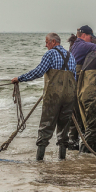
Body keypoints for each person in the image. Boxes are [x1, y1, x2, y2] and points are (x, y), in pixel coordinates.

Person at [11, 33, 76, 161]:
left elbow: (39, 71)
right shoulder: (71, 55)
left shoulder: (50, 54)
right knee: (64, 129)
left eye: (47, 42)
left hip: (53, 96)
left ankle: (39, 160)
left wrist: (20, 78)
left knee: (46, 127)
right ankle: (62, 160)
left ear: (53, 42)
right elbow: (75, 78)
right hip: (69, 97)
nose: (46, 45)